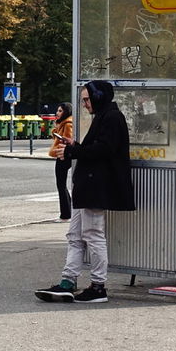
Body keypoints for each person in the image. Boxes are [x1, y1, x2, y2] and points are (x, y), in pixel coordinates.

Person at [36, 80, 135, 304]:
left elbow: (104, 150)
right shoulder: (104, 116)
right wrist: (75, 146)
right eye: (83, 100)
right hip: (88, 185)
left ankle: (98, 286)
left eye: (87, 99)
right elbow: (98, 148)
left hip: (96, 186)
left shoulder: (111, 117)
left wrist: (73, 150)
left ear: (99, 96)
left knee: (92, 234)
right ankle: (68, 281)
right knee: (75, 235)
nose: (85, 104)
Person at [48, 101, 74, 220]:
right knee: (61, 185)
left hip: (63, 154)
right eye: (57, 110)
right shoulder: (64, 123)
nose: (57, 113)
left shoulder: (67, 124)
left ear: (66, 112)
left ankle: (65, 214)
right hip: (63, 154)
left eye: (60, 111)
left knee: (61, 185)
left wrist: (60, 137)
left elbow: (67, 140)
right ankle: (68, 211)